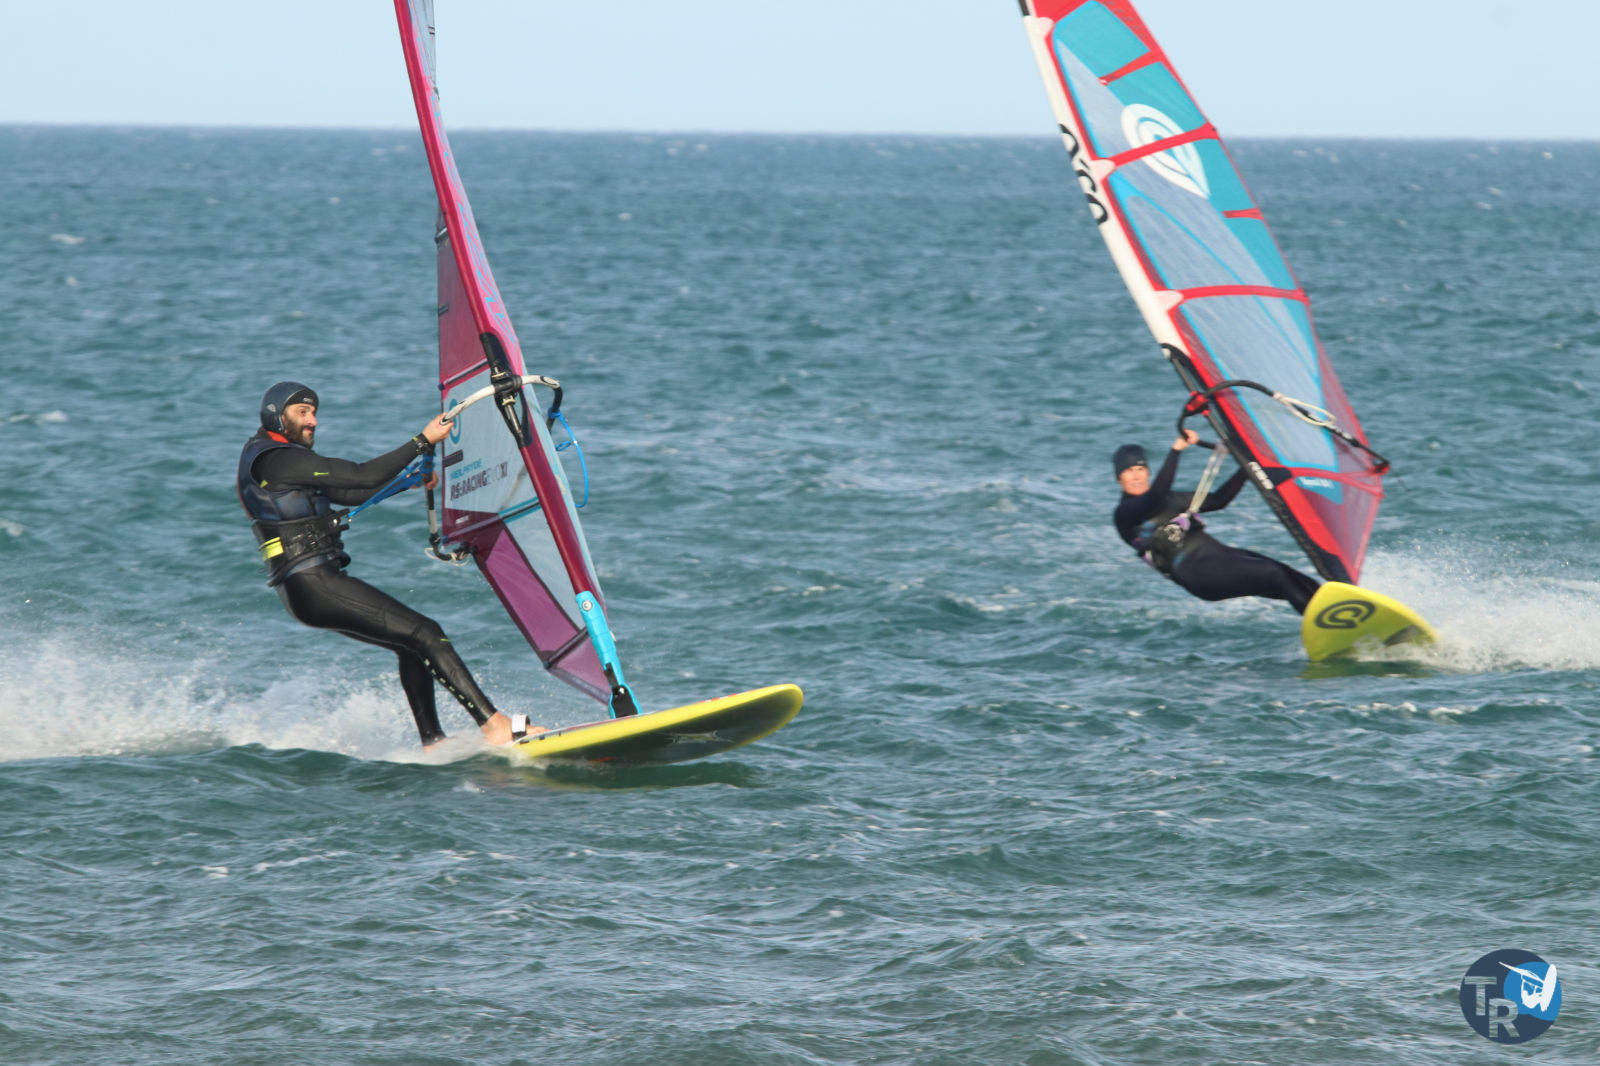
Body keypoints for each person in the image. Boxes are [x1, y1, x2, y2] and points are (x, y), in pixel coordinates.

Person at [237, 381, 542, 749]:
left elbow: (348, 492)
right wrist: (423, 441)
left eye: (314, 413)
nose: (313, 420)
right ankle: (495, 725)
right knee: (427, 633)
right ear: (276, 414)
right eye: (302, 412)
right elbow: (361, 475)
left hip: (305, 587)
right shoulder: (278, 459)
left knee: (411, 645)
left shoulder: (274, 458)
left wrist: (408, 481)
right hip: (313, 582)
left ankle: (433, 742)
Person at [1112, 429, 1320, 614]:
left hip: (1220, 557)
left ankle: (1326, 606)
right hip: (1198, 574)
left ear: (1147, 472)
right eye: (1128, 471)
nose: (1136, 476)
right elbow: (1157, 492)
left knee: (1288, 575)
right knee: (1274, 574)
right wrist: (1176, 450)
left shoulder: (1171, 500)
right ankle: (1324, 623)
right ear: (1119, 479)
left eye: (1140, 469)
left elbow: (1220, 500)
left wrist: (1247, 467)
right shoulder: (1125, 514)